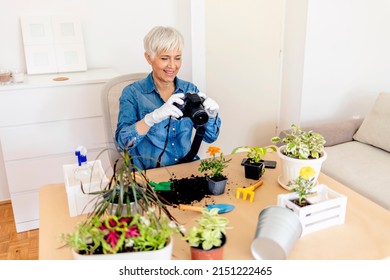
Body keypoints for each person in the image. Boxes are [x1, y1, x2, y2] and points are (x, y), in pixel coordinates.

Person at [115, 26, 221, 170]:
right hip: (149, 177)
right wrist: (150, 119)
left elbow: (210, 137)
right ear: (148, 58)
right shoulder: (132, 93)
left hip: (186, 170)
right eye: (164, 58)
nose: (172, 65)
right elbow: (122, 143)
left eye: (177, 58)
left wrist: (211, 116)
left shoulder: (190, 90)